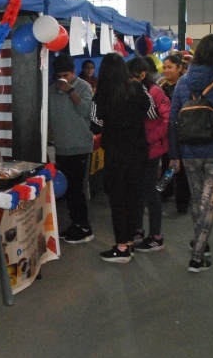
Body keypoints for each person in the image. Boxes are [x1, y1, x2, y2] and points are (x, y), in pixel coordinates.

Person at [168, 34, 213, 272]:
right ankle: (197, 256)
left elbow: (172, 122)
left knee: (197, 199)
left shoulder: (183, 82)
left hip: (189, 149)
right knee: (210, 202)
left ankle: (200, 241)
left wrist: (174, 154)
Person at [92, 52, 156, 263]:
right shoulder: (138, 88)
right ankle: (129, 243)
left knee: (118, 200)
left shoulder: (100, 95)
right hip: (138, 152)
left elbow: (95, 125)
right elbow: (152, 113)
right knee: (134, 198)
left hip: (115, 154)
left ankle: (122, 248)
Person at [50, 54, 95, 243]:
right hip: (61, 146)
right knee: (68, 189)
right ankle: (75, 224)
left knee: (78, 189)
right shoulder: (51, 90)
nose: (62, 79)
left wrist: (70, 91)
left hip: (80, 146)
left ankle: (85, 227)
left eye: (66, 75)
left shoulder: (83, 86)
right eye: (59, 75)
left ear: (74, 73)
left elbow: (87, 112)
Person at [127, 57, 170, 253]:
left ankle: (156, 236)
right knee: (137, 190)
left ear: (142, 75)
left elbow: (168, 119)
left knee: (151, 193)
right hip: (139, 149)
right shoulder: (139, 91)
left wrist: (149, 138)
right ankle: (137, 230)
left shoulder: (154, 92)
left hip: (152, 150)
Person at [158, 53, 190, 214]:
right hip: (165, 134)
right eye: (164, 67)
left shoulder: (186, 86)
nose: (166, 71)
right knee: (166, 164)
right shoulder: (161, 86)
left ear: (180, 68)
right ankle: (165, 192)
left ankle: (182, 202)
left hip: (184, 133)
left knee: (182, 168)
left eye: (170, 67)